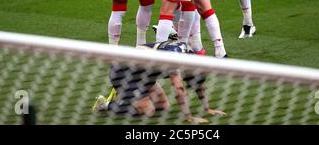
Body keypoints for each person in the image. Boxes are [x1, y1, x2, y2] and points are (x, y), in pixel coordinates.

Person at [93, 41, 226, 123]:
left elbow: (199, 85)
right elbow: (179, 90)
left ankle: (131, 97)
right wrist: (189, 117)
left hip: (145, 75)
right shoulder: (176, 59)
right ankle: (106, 104)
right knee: (149, 111)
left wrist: (208, 109)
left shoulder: (191, 58)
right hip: (124, 73)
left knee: (163, 106)